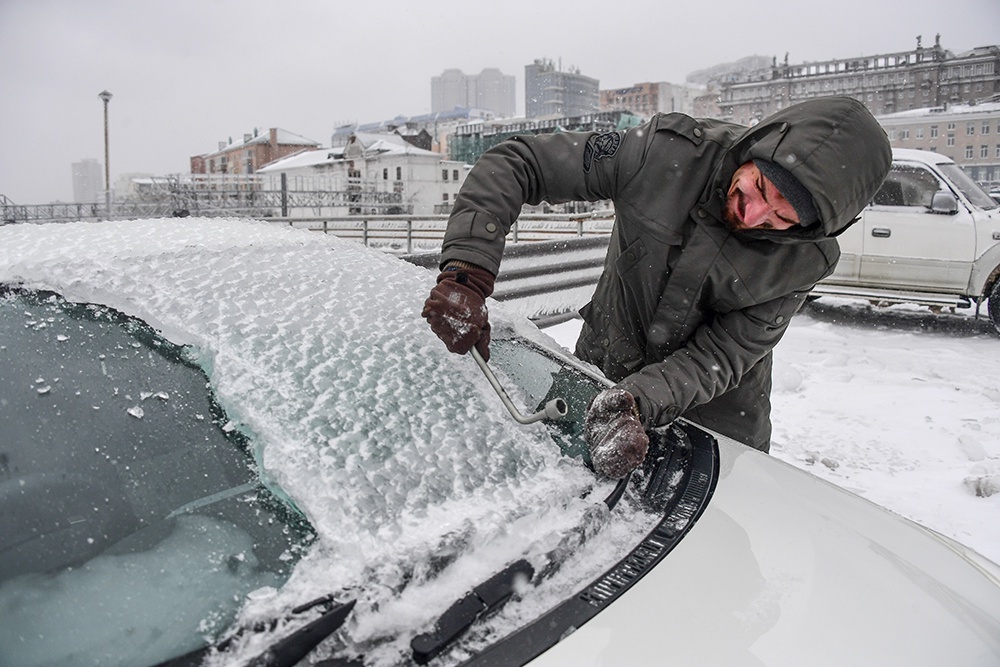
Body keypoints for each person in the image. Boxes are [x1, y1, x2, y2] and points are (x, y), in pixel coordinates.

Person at [422, 96, 891, 478]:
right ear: (757, 150)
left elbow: (723, 354)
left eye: (782, 217)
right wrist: (467, 273)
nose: (753, 216)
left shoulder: (804, 260)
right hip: (599, 374)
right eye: (759, 189)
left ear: (812, 229)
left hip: (718, 426)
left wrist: (635, 403)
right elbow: (519, 162)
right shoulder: (665, 153)